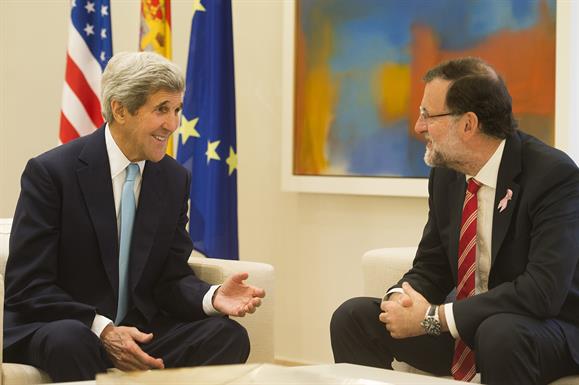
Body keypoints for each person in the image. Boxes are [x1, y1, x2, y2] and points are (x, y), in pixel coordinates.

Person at [3, 51, 265, 382]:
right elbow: (28, 285)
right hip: (67, 323)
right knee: (70, 340)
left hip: (139, 329)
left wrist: (211, 297)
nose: (172, 124)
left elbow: (170, 279)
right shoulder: (52, 173)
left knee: (226, 335)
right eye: (161, 110)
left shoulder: (172, 179)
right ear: (120, 109)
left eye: (176, 110)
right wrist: (103, 328)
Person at [330, 57, 579, 385]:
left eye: (427, 116)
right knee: (353, 317)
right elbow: (432, 266)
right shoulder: (445, 176)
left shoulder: (552, 175)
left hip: (546, 328)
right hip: (468, 327)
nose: (418, 127)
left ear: (468, 125)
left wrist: (435, 317)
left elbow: (541, 292)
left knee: (499, 332)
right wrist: (400, 300)